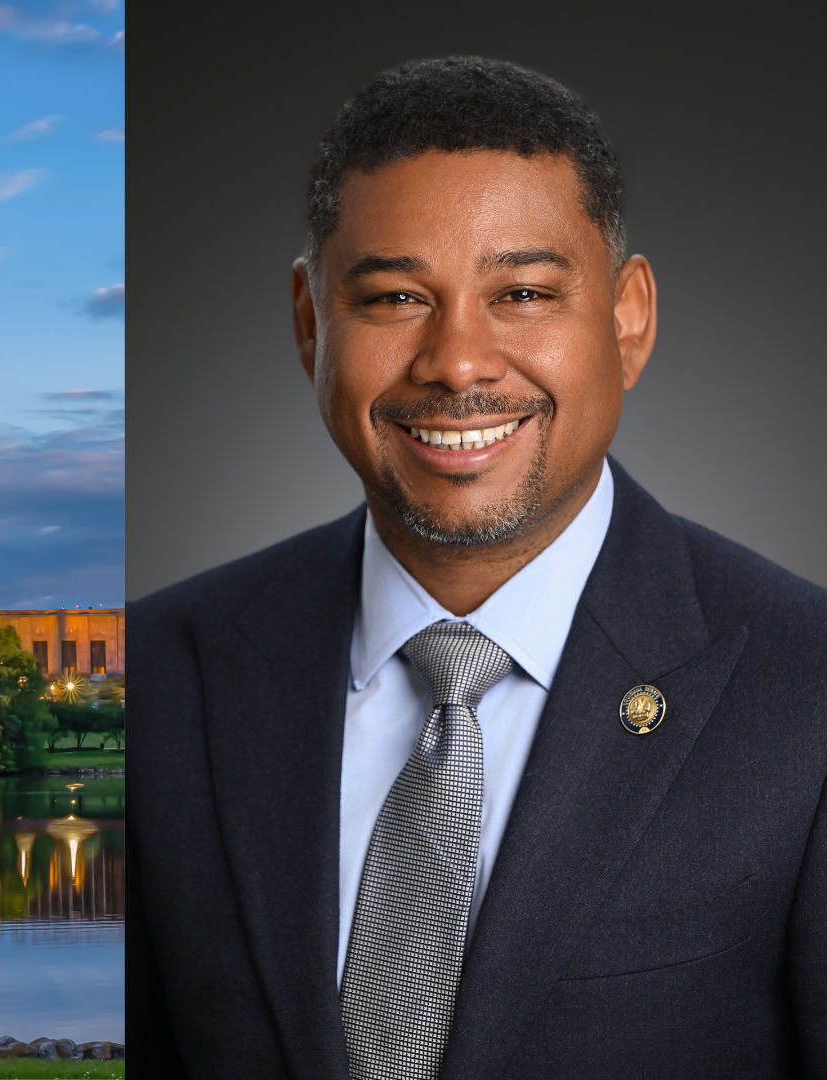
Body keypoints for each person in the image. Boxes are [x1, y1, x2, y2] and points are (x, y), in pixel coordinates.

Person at [127, 57, 827, 1077]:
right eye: (398, 297)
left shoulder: (806, 689)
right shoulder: (158, 673)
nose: (458, 361)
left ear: (628, 319)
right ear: (309, 320)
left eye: (525, 292)